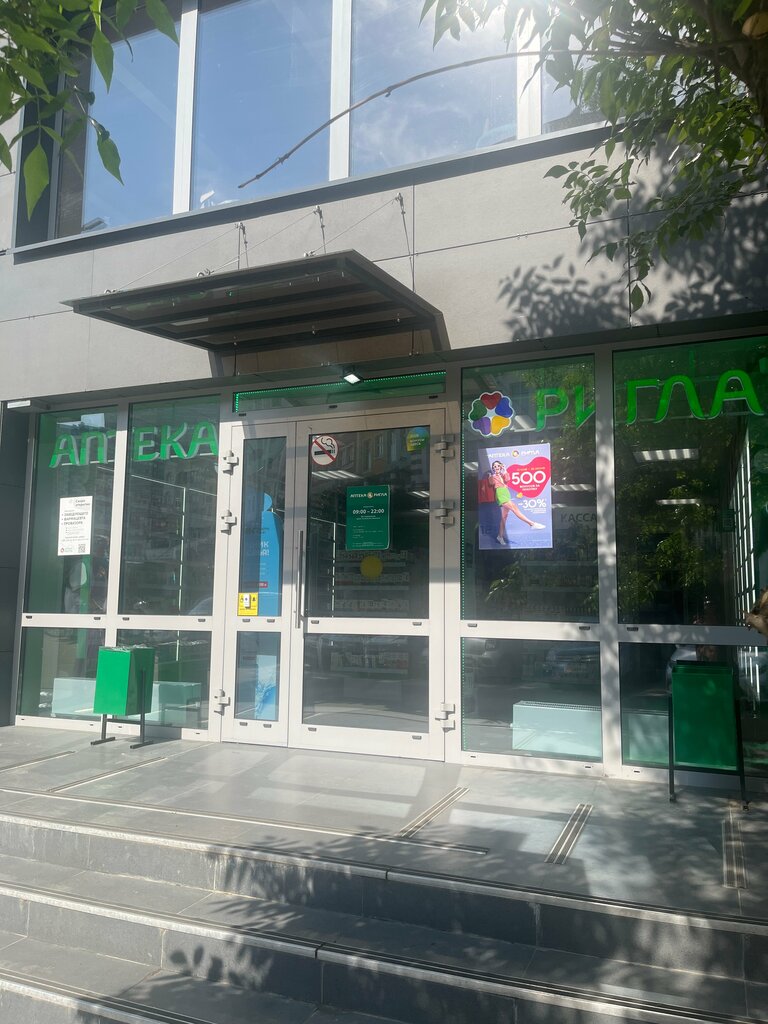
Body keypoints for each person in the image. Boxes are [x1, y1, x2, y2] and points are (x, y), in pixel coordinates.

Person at [489, 460, 545, 543]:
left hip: (506, 492)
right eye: (495, 466)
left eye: (498, 466)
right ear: (493, 468)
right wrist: (491, 476)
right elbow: (491, 483)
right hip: (500, 493)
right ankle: (532, 524)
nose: (496, 467)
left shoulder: (503, 474)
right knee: (514, 508)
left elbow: (507, 480)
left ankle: (500, 536)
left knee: (504, 517)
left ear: (500, 467)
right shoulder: (493, 476)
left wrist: (505, 470)